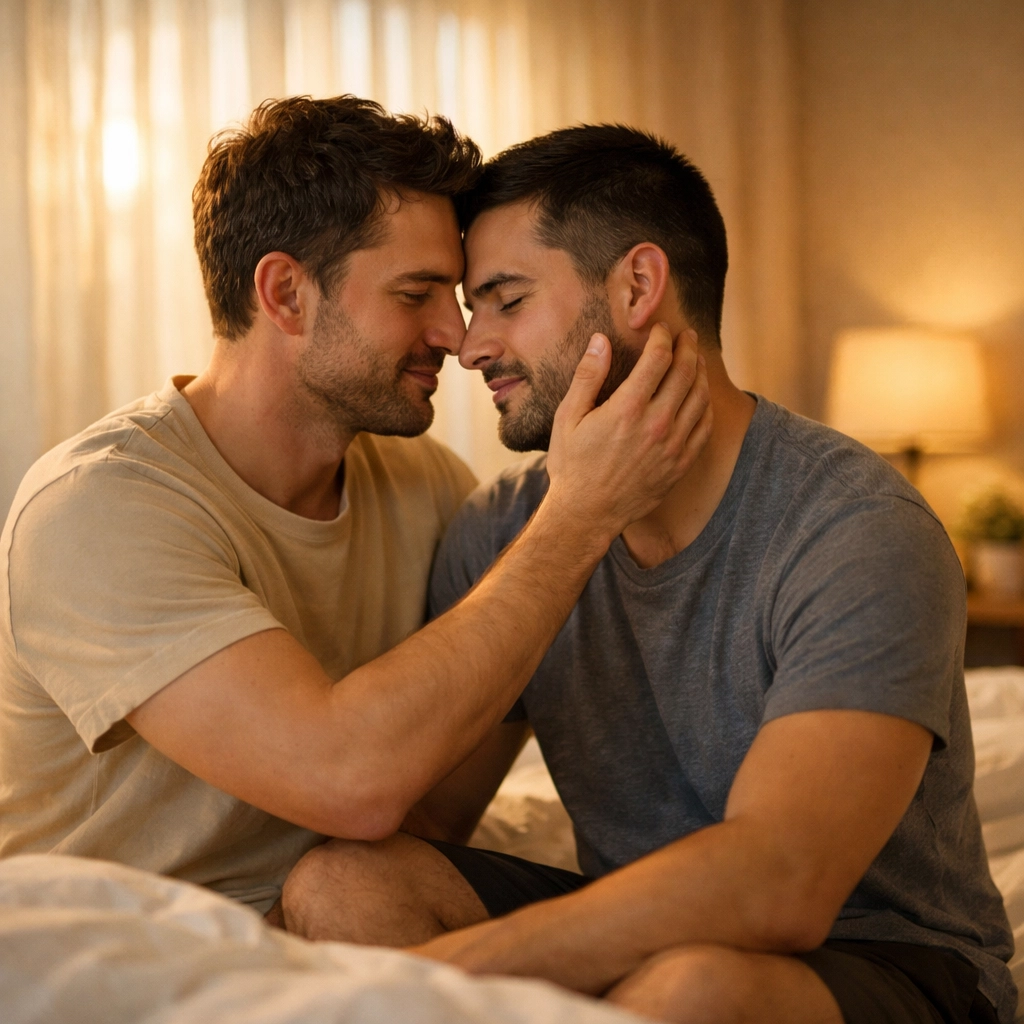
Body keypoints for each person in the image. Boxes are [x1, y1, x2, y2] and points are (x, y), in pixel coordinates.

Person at [280, 125, 1017, 1024]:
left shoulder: (858, 529)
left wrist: (439, 977)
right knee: (344, 885)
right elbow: (431, 820)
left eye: (506, 300)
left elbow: (781, 883)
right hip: (639, 939)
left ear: (638, 286)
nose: (470, 348)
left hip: (882, 960)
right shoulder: (507, 528)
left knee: (691, 990)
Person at [0, 99, 711, 920]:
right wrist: (578, 514)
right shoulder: (96, 511)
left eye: (464, 295)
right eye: (418, 293)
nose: (456, 333)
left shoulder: (426, 489)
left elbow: (438, 786)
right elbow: (350, 781)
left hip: (337, 926)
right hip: (117, 962)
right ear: (286, 294)